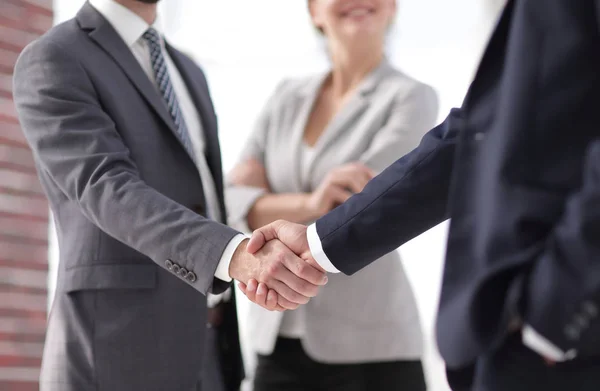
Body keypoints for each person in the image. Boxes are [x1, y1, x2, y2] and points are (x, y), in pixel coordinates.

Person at [241, 1, 600, 390]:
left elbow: (352, 185)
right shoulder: (287, 95)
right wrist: (316, 235)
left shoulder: (408, 94)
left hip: (560, 333)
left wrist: (554, 317)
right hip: (499, 331)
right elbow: (478, 133)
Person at [12, 0, 327, 390]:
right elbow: (106, 188)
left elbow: (204, 197)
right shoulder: (55, 56)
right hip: (115, 354)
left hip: (209, 350)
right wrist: (236, 255)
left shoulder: (187, 69)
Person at [226, 0, 438, 389]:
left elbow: (369, 204)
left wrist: (265, 200)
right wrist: (309, 203)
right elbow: (229, 199)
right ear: (313, 10)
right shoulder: (286, 97)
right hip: (276, 337)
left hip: (371, 344)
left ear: (392, 6)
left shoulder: (411, 97)